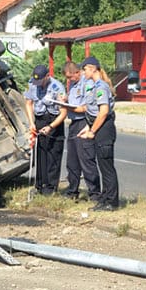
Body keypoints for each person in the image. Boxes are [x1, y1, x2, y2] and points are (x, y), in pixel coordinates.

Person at [77, 56, 119, 211]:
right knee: (102, 165)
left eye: (85, 69)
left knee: (107, 167)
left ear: (93, 68)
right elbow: (92, 112)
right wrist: (88, 128)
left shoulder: (101, 86)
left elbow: (103, 112)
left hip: (104, 130)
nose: (83, 73)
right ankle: (105, 198)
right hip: (97, 127)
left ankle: (111, 202)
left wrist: (92, 131)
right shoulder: (93, 85)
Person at [24, 64, 67, 195]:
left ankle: (50, 187)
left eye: (40, 81)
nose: (37, 84)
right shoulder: (32, 84)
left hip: (54, 121)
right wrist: (32, 123)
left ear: (47, 76)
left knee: (53, 155)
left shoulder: (57, 87)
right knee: (41, 154)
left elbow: (63, 112)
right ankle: (40, 185)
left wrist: (51, 127)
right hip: (39, 119)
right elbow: (29, 103)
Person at [61, 61, 98, 200]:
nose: (69, 80)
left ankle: (94, 193)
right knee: (72, 161)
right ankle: (72, 191)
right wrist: (64, 100)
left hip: (83, 121)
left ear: (77, 72)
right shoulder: (73, 84)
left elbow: (85, 107)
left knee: (86, 160)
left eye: (70, 77)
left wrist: (68, 107)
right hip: (73, 123)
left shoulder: (86, 83)